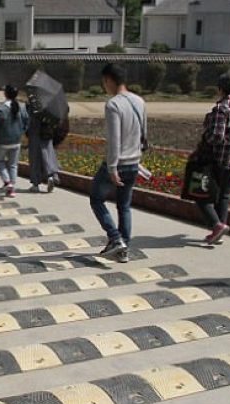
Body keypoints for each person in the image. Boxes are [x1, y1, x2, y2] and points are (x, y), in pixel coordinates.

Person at [90, 63, 146, 263]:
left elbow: (114, 140)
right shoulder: (139, 101)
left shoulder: (113, 104)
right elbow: (142, 134)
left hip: (117, 163)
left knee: (96, 199)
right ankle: (123, 250)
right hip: (133, 162)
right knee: (124, 206)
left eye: (104, 82)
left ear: (109, 80)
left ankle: (115, 239)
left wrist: (112, 167)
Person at [190, 71, 230, 245]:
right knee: (224, 195)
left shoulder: (222, 108)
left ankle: (216, 225)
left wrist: (205, 140)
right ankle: (220, 229)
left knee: (201, 194)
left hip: (218, 159)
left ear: (220, 89)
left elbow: (216, 137)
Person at [0, 85, 29, 198]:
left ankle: (7, 182)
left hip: (3, 141)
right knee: (13, 165)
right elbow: (27, 121)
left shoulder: (2, 109)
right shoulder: (21, 107)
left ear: (5, 94)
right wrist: (21, 131)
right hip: (16, 140)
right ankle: (11, 188)